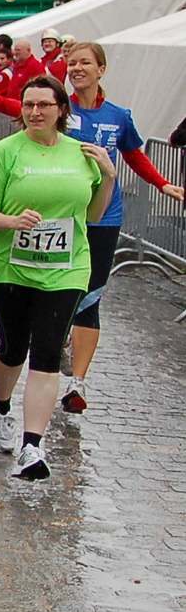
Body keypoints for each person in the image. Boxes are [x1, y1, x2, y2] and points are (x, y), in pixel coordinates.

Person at [0, 75, 118, 480]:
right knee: (14, 348)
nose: (36, 112)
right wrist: (14, 221)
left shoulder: (83, 154)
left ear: (61, 109)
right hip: (11, 267)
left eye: (44, 105)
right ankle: (2, 405)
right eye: (29, 105)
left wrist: (108, 177)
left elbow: (91, 216)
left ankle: (32, 446)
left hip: (67, 268)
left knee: (47, 353)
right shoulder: (5, 153)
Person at [53, 42, 185, 411]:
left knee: (91, 294)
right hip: (62, 214)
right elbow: (21, 114)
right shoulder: (56, 109)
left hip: (104, 217)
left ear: (101, 70)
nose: (76, 68)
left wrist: (162, 183)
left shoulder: (118, 116)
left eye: (84, 63)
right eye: (71, 63)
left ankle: (77, 384)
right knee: (61, 289)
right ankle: (54, 346)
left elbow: (134, 154)